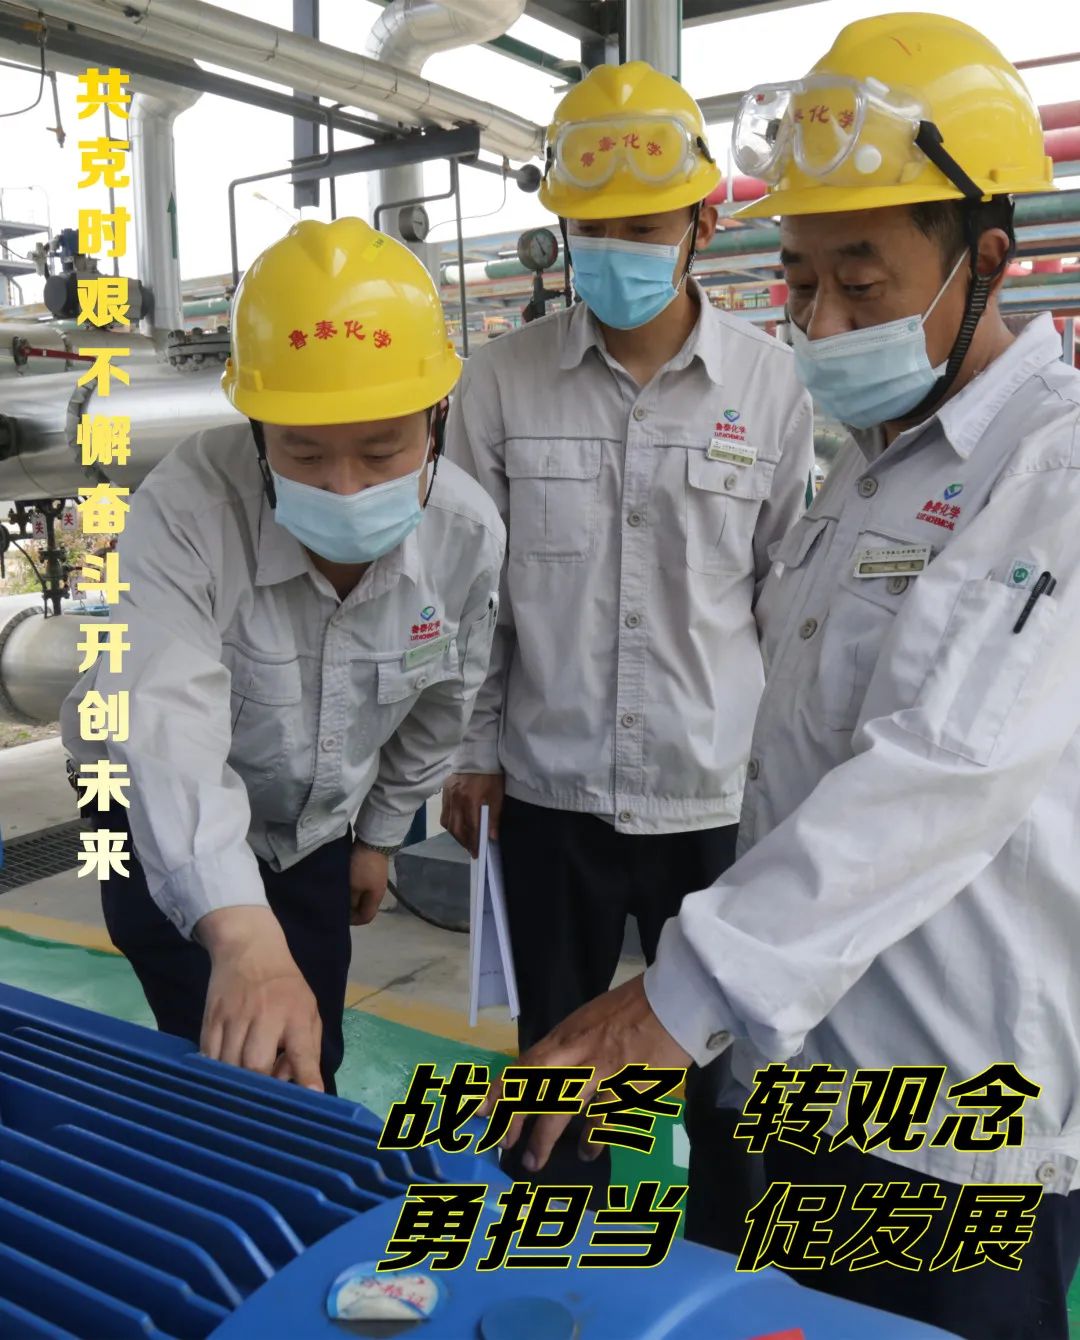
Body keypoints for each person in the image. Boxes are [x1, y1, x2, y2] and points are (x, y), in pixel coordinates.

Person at [493, 16, 1080, 1338]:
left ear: (989, 260)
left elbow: (942, 768)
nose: (822, 320)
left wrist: (678, 996)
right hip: (818, 1075)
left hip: (951, 1128)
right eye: (803, 281)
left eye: (861, 283)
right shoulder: (873, 469)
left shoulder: (1052, 477)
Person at [441, 60, 814, 1203]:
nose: (614, 250)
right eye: (591, 228)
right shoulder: (502, 382)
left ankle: (725, 1268)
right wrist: (471, 748)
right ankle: (563, 1259)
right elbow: (474, 592)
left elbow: (787, 597)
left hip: (717, 795)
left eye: (642, 227)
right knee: (557, 1076)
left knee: (730, 1082)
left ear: (702, 221)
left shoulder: (772, 384)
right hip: (551, 792)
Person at [60, 218, 505, 1095]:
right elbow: (165, 725)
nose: (345, 486)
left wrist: (379, 838)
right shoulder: (186, 513)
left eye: (381, 450)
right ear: (256, 426)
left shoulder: (465, 535)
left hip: (311, 827)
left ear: (438, 417)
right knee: (219, 1046)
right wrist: (239, 931)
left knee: (311, 1041)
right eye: (302, 450)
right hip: (147, 803)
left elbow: (442, 700)